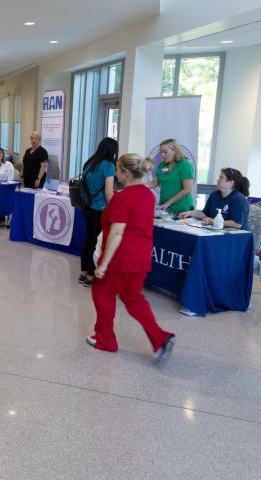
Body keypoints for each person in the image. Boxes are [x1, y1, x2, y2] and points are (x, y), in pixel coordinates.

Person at [87, 153, 175, 360]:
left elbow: (117, 233)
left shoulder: (122, 198)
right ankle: (160, 338)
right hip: (141, 257)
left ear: (126, 173)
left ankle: (105, 340)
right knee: (133, 298)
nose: (115, 174)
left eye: (117, 170)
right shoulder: (147, 195)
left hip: (121, 258)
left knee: (102, 293)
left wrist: (103, 264)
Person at [79, 138, 118, 287]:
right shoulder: (109, 165)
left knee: (88, 239)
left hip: (87, 207)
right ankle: (90, 275)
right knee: (96, 243)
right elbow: (109, 193)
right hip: (100, 209)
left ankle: (83, 272)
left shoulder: (90, 162)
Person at [179, 167, 250, 229]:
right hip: (216, 231)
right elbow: (204, 214)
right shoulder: (214, 195)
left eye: (221, 178)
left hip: (237, 236)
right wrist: (190, 213)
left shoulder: (239, 199)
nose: (218, 180)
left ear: (231, 182)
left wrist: (213, 221)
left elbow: (237, 224)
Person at [145, 138, 194, 215]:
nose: (162, 155)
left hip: (181, 209)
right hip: (165, 207)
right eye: (161, 152)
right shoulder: (162, 165)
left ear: (175, 151)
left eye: (165, 152)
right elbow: (154, 183)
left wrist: (168, 203)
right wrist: (138, 185)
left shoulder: (184, 164)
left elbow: (188, 189)